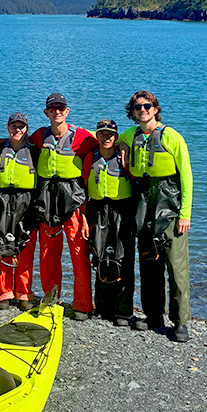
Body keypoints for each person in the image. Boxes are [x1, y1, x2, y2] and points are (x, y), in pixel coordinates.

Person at [118, 90, 193, 342]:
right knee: (149, 264)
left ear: (156, 109)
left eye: (147, 106)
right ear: (133, 112)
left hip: (169, 205)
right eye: (138, 107)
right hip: (144, 205)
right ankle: (153, 316)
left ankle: (180, 321)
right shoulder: (131, 136)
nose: (143, 110)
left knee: (176, 267)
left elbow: (186, 177)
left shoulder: (171, 136)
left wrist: (185, 213)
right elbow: (105, 139)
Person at [29, 93, 98, 321]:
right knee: (48, 254)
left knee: (79, 255)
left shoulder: (82, 137)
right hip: (47, 202)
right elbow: (20, 143)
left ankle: (83, 305)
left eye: (61, 108)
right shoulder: (40, 135)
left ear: (67, 112)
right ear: (46, 113)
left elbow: (107, 144)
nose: (57, 112)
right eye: (53, 109)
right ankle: (51, 300)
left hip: (74, 202)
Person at [82, 119, 135, 327]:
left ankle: (123, 311)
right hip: (97, 210)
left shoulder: (125, 157)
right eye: (102, 133)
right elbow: (85, 192)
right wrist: (85, 220)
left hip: (122, 210)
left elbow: (136, 186)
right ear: (96, 135)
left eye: (111, 134)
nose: (106, 137)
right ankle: (102, 308)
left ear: (116, 136)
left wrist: (134, 219)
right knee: (100, 256)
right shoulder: (90, 158)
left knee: (124, 258)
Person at [0, 112, 40, 311]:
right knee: (0, 245)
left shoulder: (35, 150)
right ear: (8, 127)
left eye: (21, 127)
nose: (17, 130)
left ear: (26, 128)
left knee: (25, 248)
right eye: (14, 126)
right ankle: (3, 292)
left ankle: (24, 293)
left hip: (26, 202)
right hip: (1, 201)